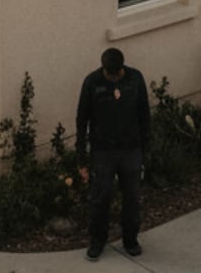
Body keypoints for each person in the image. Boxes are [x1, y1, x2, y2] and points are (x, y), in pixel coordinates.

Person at [75, 47, 150, 261]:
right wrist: (82, 158)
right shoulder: (92, 83)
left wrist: (145, 150)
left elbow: (144, 114)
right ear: (103, 68)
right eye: (109, 74)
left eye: (116, 74)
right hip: (103, 151)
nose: (113, 78)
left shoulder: (135, 79)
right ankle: (97, 240)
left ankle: (130, 239)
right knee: (101, 197)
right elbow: (81, 121)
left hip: (131, 149)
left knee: (132, 198)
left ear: (122, 69)